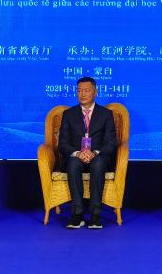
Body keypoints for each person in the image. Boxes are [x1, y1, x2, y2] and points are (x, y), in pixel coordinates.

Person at [58, 76, 117, 229]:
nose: (82, 94)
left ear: (95, 92)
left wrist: (94, 152)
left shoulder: (105, 114)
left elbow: (111, 143)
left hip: (98, 156)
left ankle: (95, 216)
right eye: (79, 90)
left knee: (98, 164)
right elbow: (62, 143)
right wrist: (78, 153)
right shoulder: (69, 114)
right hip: (76, 156)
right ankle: (77, 215)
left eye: (86, 90)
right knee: (73, 163)